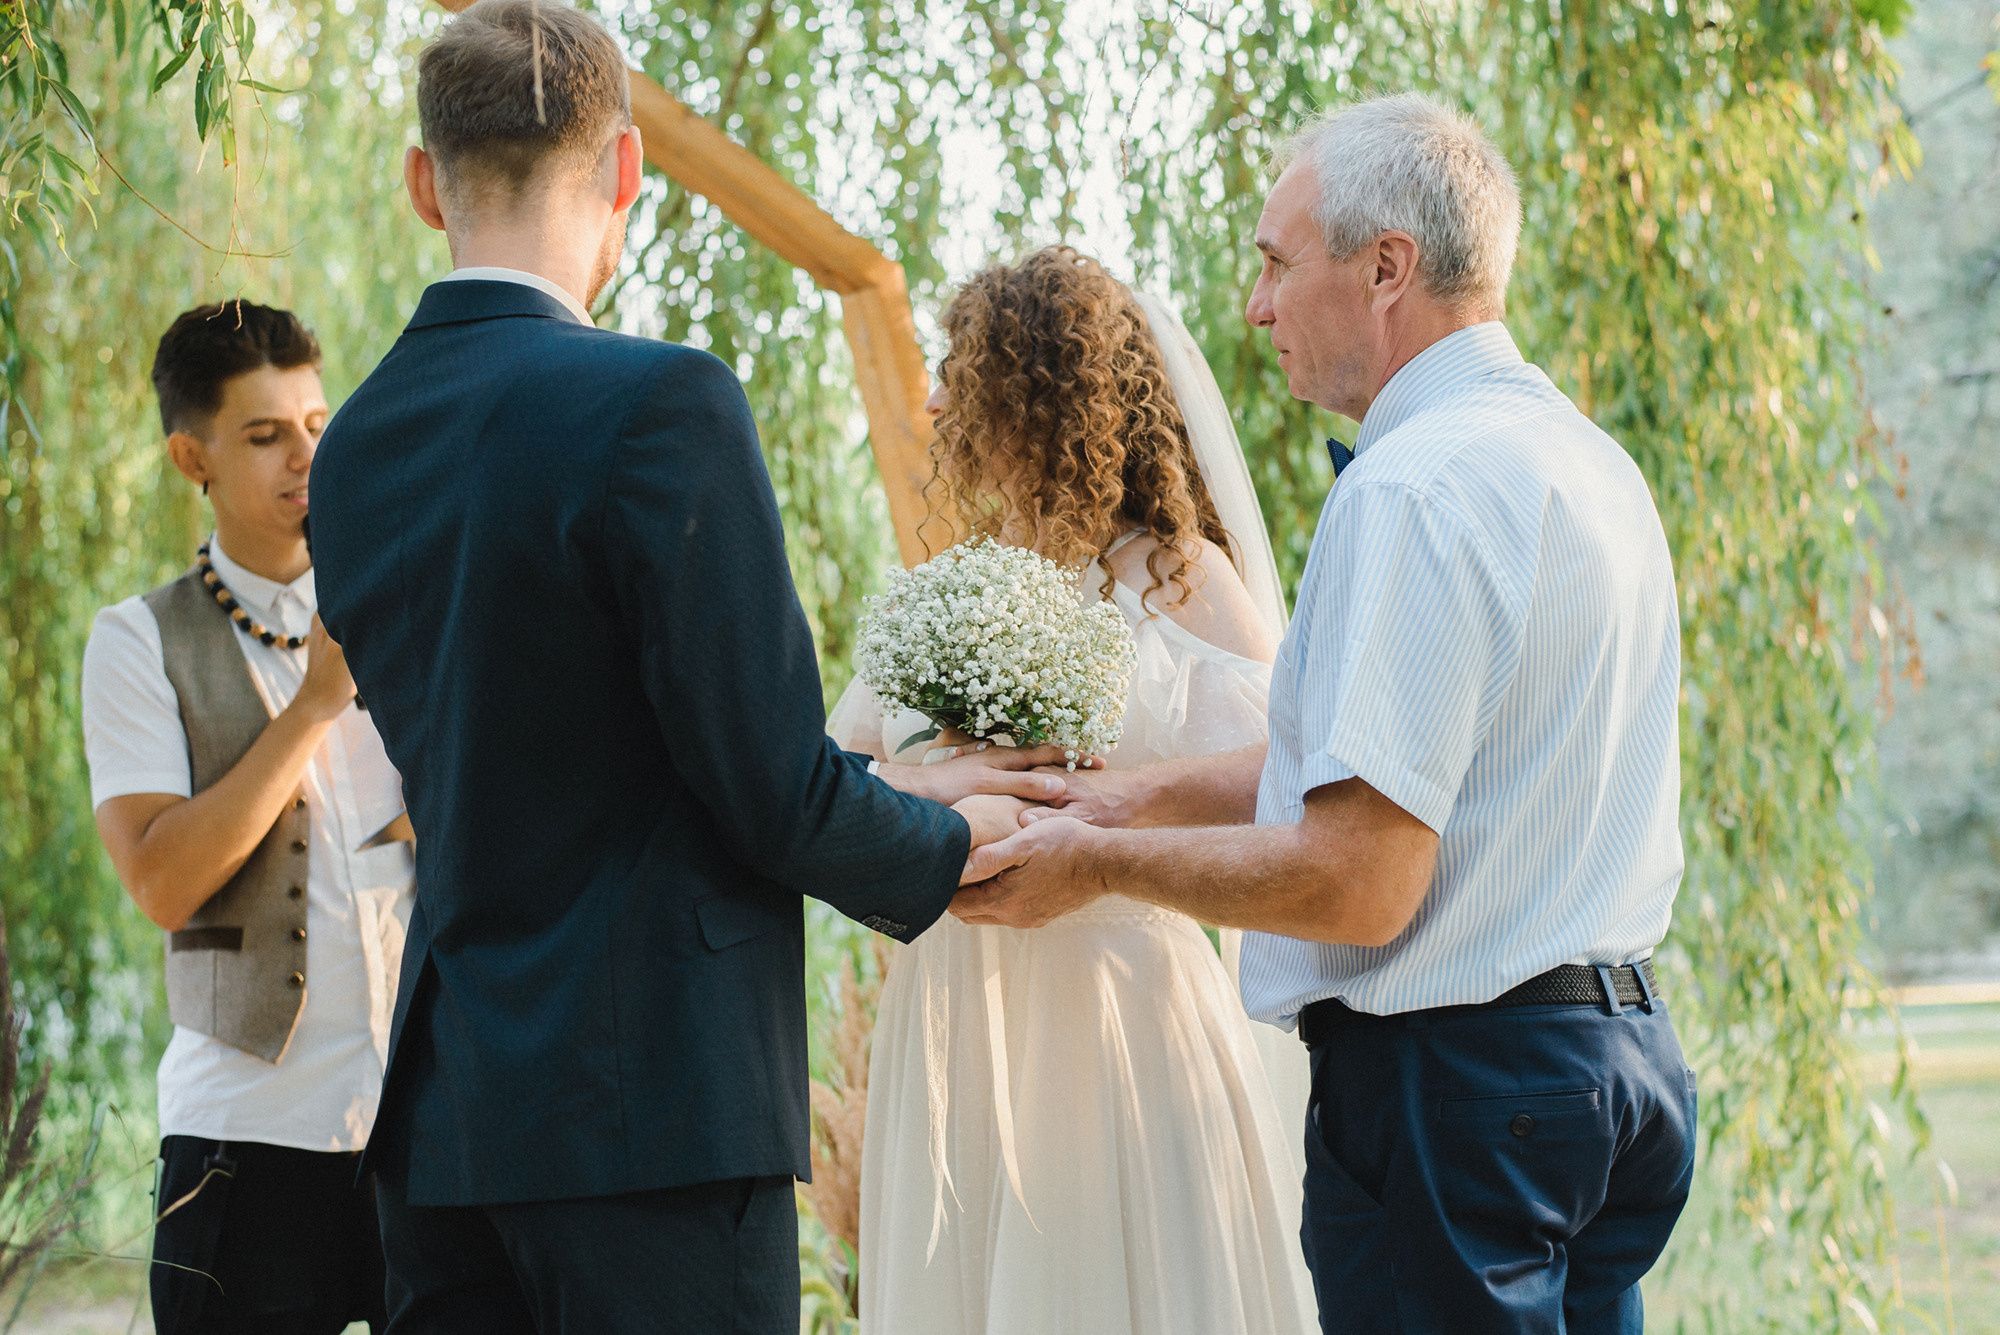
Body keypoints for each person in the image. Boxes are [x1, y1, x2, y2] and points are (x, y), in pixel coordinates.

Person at [303, 4, 1060, 1331]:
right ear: (626, 170)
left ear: (426, 183)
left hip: (449, 1116)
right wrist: (949, 832)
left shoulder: (356, 445)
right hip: (651, 1116)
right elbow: (763, 784)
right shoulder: (661, 403)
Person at [961, 94, 1698, 1334]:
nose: (1252, 307)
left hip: (1458, 1095)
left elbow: (1357, 879)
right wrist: (1133, 791)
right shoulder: (1581, 461)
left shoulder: (1411, 487)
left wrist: (1090, 860)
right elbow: (1413, 772)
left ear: (1385, 269)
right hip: (1611, 1075)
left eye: (1273, 263)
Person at [835, 246, 1314, 1335]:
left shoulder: (1179, 575)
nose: (936, 396)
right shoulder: (951, 591)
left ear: (1038, 388)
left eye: (967, 369)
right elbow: (841, 776)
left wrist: (1095, 800)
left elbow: (1282, 780)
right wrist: (942, 787)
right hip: (958, 997)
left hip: (1117, 1006)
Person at [81, 300, 406, 1334]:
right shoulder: (136, 641)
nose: (304, 459)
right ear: (194, 457)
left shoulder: (407, 611)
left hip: (425, 1138)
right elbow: (162, 881)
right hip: (245, 1148)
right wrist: (314, 706)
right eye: (265, 435)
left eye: (317, 425)